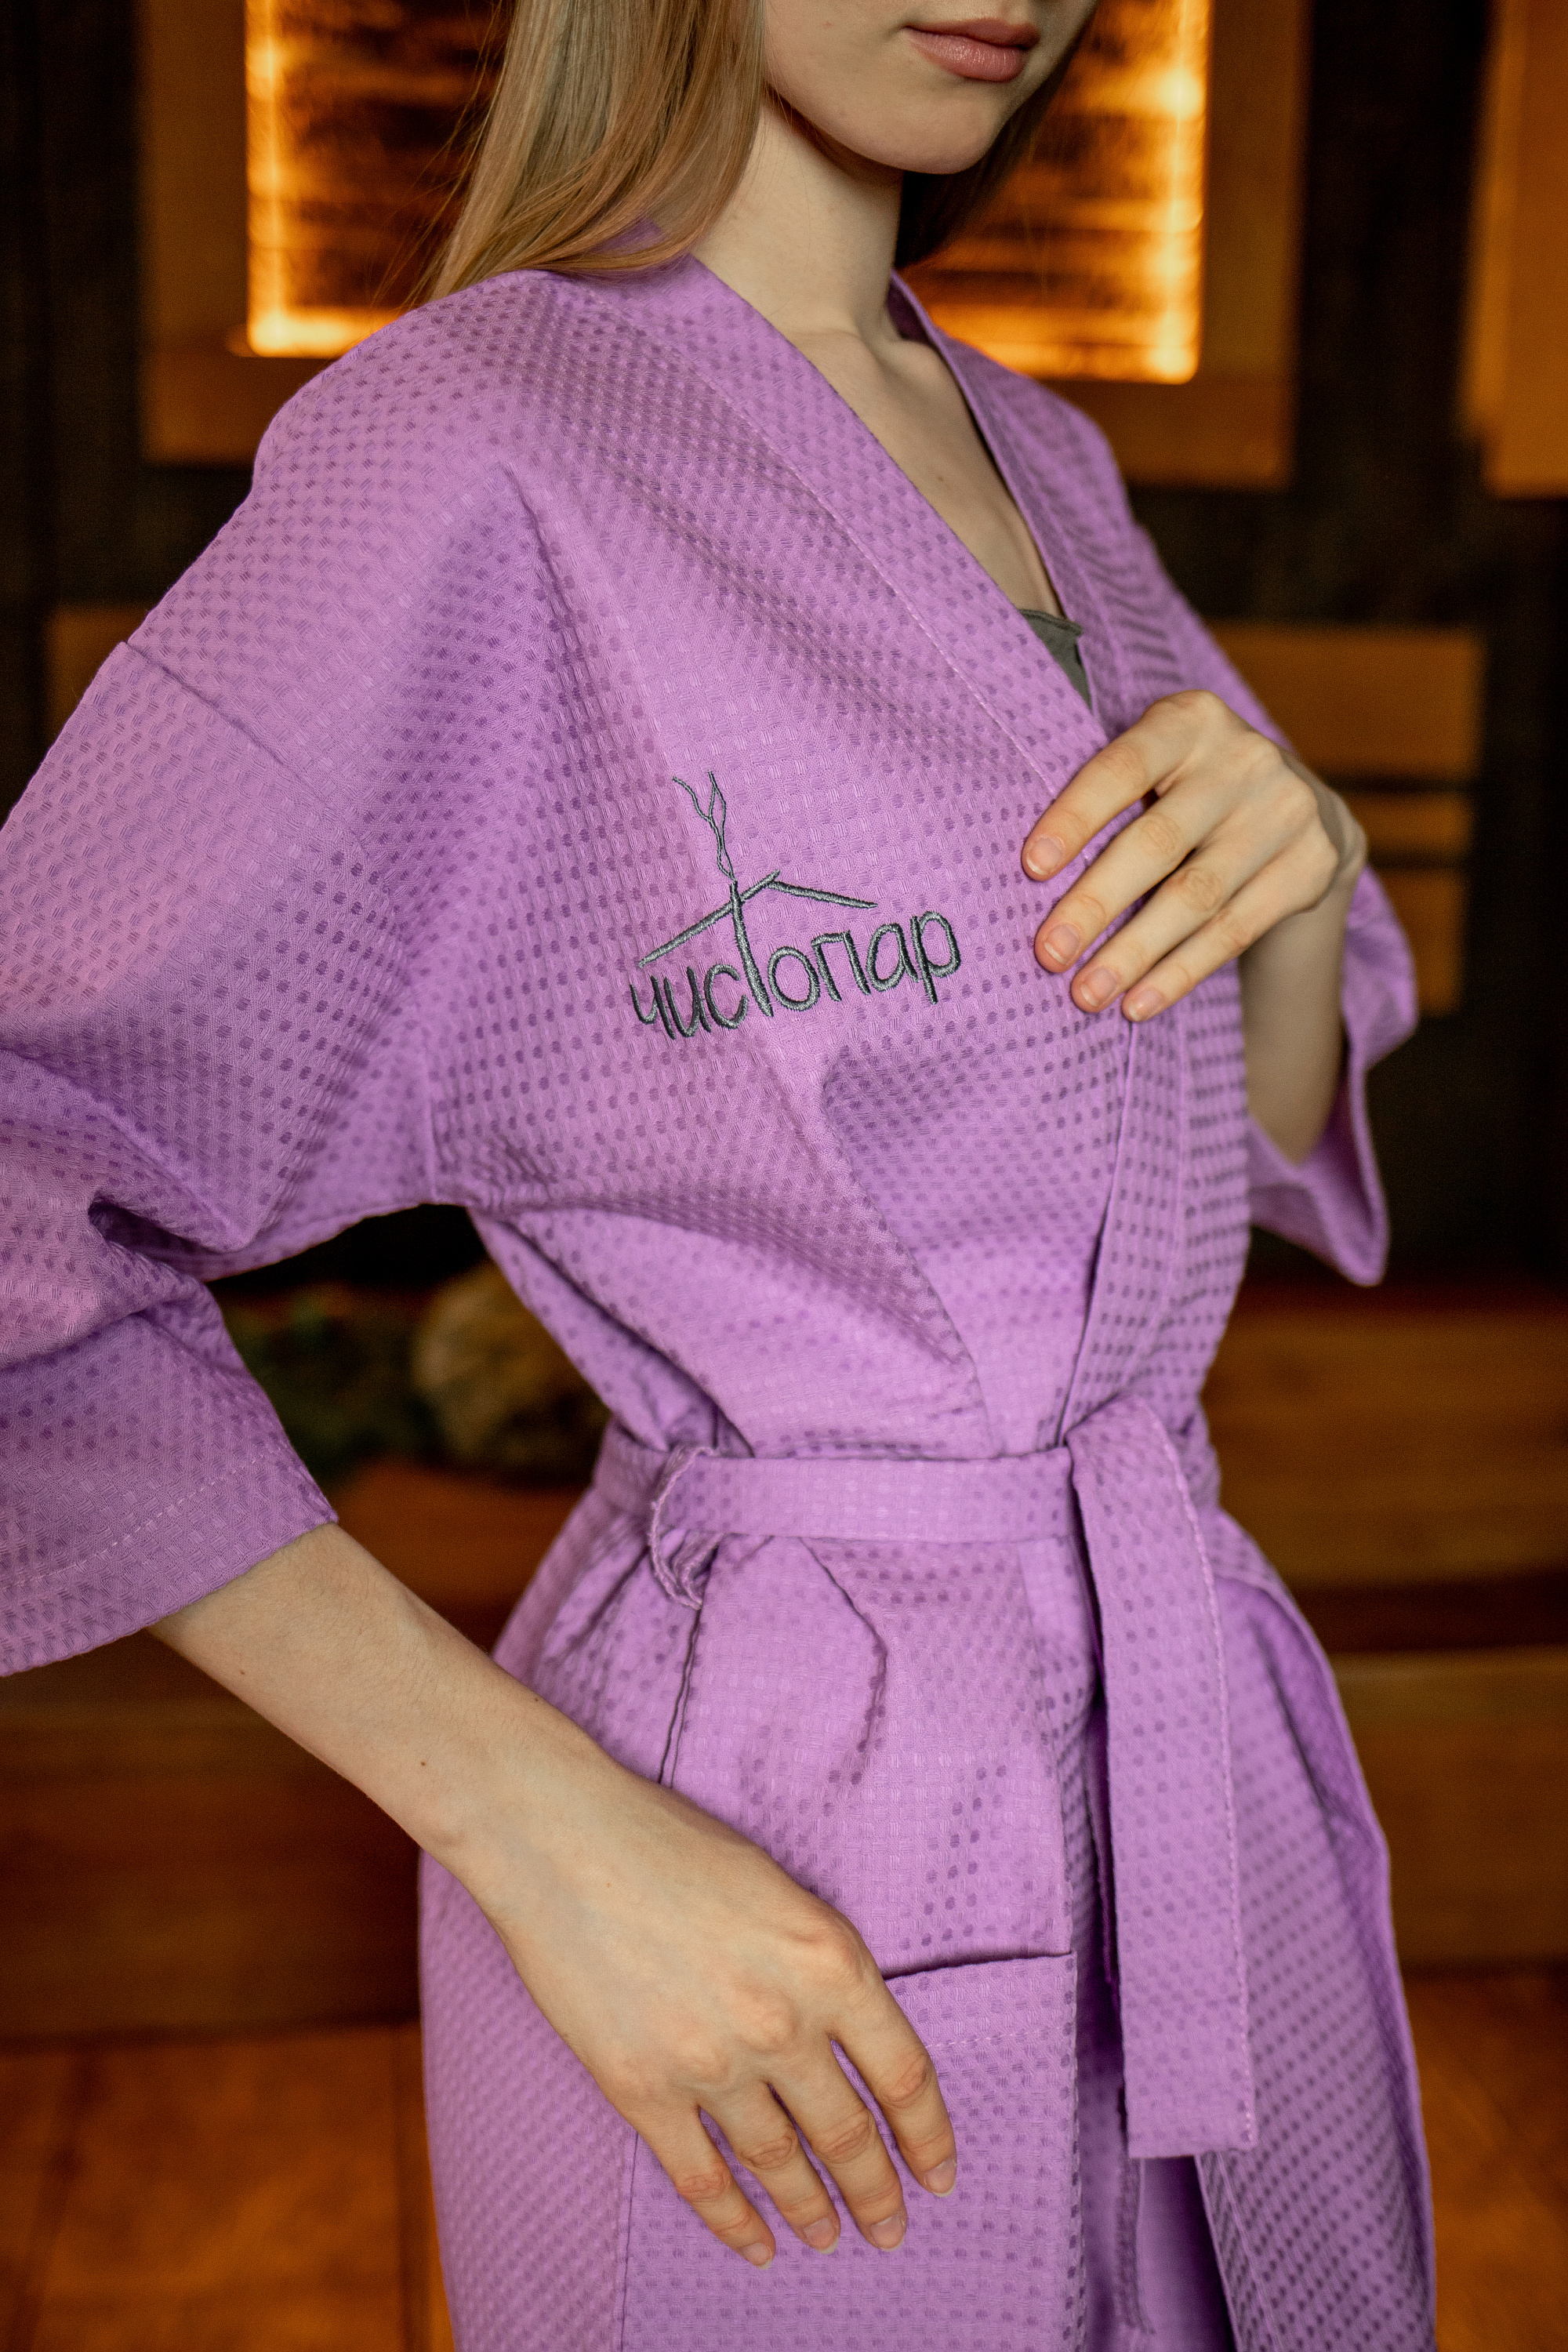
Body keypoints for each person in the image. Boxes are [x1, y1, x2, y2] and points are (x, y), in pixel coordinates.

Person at [0, 1, 1435, 2345]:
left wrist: (1307, 870)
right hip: (759, 1850)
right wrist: (534, 1830)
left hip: (1191, 1751)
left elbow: (1234, 1144)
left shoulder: (1048, 451)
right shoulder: (470, 446)